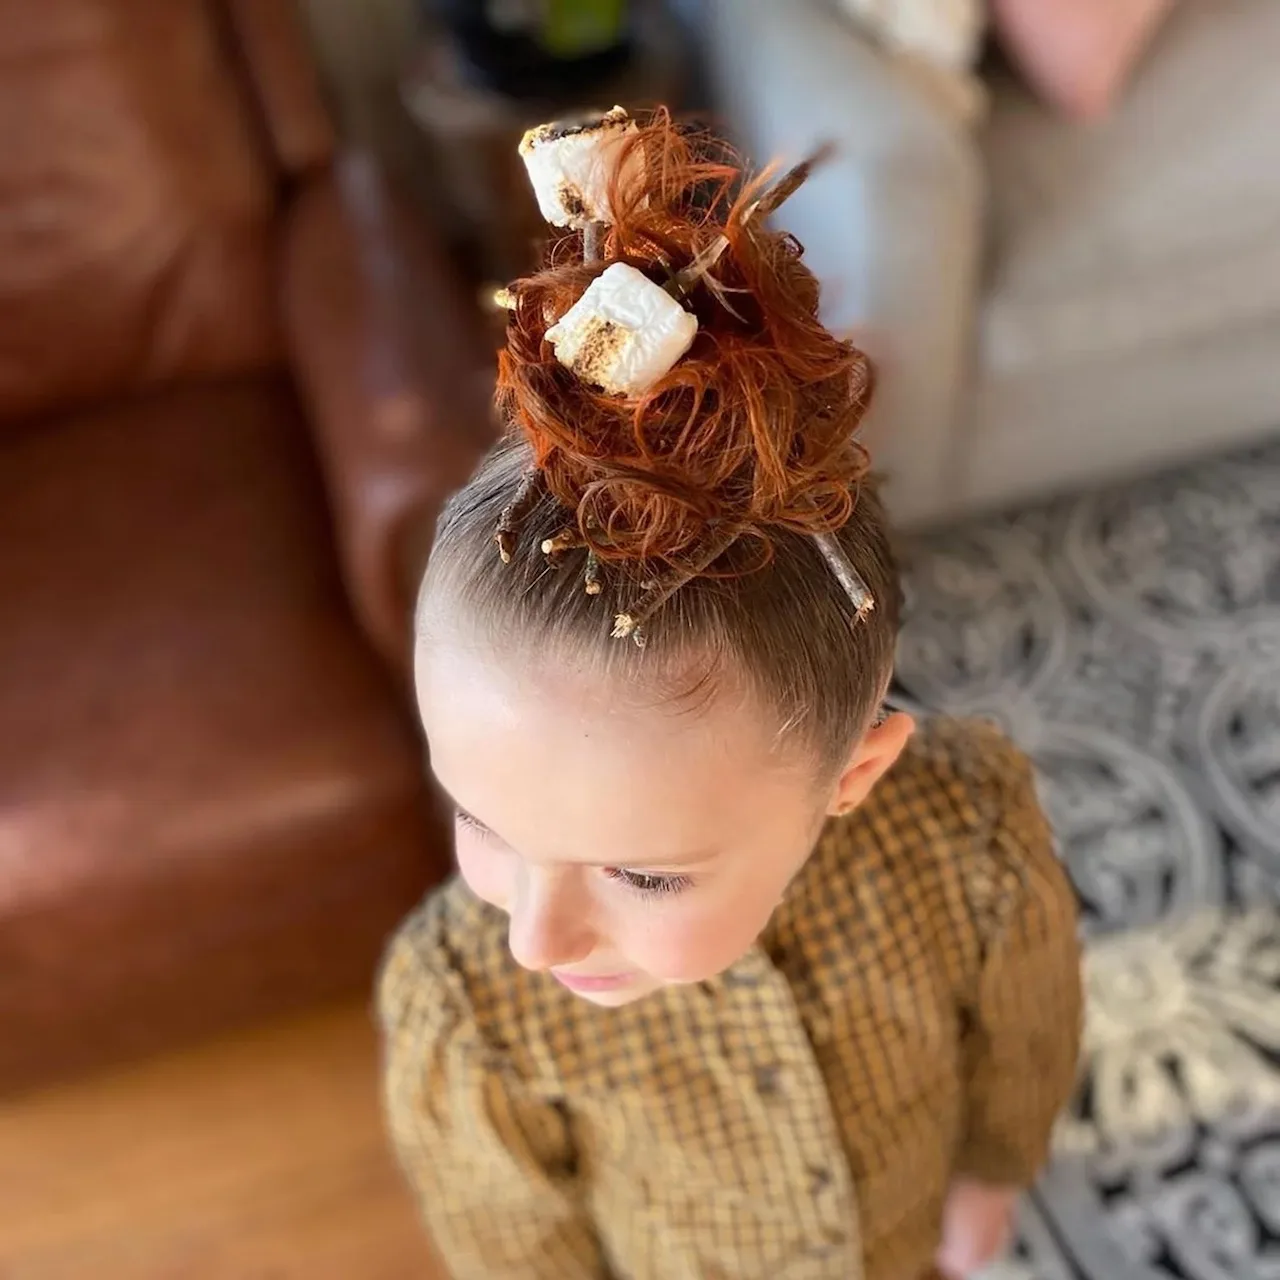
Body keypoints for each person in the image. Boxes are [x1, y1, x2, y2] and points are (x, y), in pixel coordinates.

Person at [379, 110, 1082, 1280]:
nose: (532, 934)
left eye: (643, 872)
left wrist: (993, 1170)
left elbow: (1022, 1025)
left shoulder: (970, 837)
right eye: (483, 822)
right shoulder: (464, 1009)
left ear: (851, 775)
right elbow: (515, 1244)